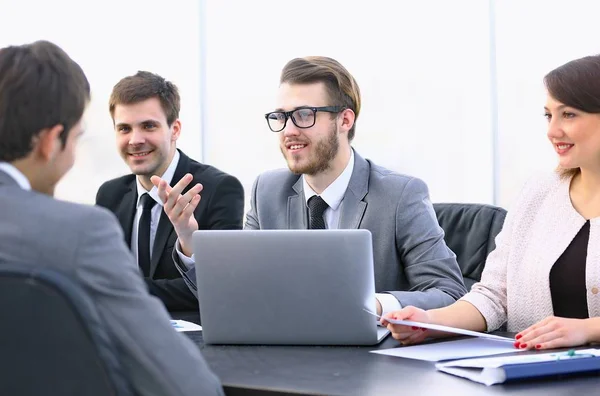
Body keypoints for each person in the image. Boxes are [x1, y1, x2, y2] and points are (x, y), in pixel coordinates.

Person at [157, 56, 467, 316]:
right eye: (281, 116)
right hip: (287, 358)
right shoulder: (268, 190)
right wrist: (188, 238)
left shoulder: (401, 195)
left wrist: (376, 304)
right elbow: (235, 290)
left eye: (304, 115)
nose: (289, 130)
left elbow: (449, 292)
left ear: (344, 121)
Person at [0, 41, 223, 395]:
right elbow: (185, 385)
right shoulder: (80, 230)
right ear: (52, 141)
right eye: (76, 138)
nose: (135, 140)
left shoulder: (215, 186)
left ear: (174, 129)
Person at [383, 54, 600, 350]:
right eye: (549, 115)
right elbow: (494, 295)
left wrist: (588, 329)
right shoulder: (538, 192)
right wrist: (430, 321)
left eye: (569, 114)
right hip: (532, 377)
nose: (552, 131)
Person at [96, 71, 244, 311]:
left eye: (148, 126)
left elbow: (220, 288)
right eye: (124, 129)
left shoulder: (219, 189)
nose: (135, 140)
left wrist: (188, 239)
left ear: (174, 129)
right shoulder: (109, 195)